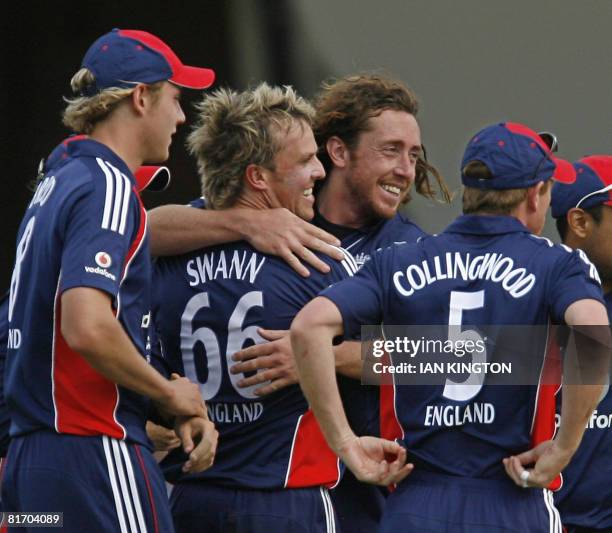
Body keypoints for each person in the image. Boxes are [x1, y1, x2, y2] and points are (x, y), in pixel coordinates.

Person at [148, 73, 451, 532]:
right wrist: (246, 223)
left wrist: (322, 355)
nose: (407, 171)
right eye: (391, 151)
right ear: (338, 153)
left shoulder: (407, 251)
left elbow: (461, 357)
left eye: (414, 155)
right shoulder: (265, 231)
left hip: (364, 491)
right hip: (296, 491)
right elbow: (142, 230)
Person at [290, 122, 610, 532]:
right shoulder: (557, 263)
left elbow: (307, 328)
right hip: (512, 496)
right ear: (534, 196)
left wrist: (345, 443)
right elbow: (593, 333)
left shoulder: (398, 259)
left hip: (416, 500)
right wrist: (566, 446)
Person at [2, 29, 218, 531]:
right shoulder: (107, 184)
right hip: (94, 451)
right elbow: (88, 326)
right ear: (142, 97)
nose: (182, 117)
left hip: (31, 460)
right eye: (177, 98)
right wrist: (168, 393)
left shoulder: (54, 184)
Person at [551, 155, 612, 533]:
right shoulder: (530, 296)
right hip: (550, 520)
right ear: (580, 222)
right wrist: (333, 353)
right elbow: (432, 360)